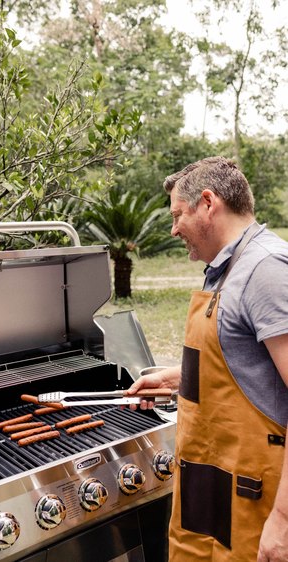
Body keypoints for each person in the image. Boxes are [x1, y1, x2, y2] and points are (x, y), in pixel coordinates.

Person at [126, 156, 288, 561]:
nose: (174, 227)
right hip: (213, 492)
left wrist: (283, 520)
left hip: (256, 500)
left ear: (208, 202)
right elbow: (248, 361)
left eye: (178, 214)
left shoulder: (265, 270)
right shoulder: (227, 268)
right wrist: (179, 378)